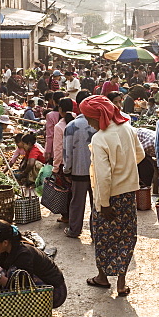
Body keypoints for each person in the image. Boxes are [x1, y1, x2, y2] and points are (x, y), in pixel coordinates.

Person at [81, 95, 145, 296]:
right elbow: (140, 155)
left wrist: (104, 203)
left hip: (108, 196)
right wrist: (125, 167)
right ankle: (121, 283)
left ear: (98, 116)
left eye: (89, 118)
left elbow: (103, 175)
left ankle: (102, 277)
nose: (89, 123)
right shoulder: (128, 128)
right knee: (125, 237)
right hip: (127, 194)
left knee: (103, 237)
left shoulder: (100, 138)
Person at [62, 101, 97, 238]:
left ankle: (74, 230)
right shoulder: (98, 125)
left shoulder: (71, 126)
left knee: (77, 202)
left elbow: (67, 152)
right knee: (96, 203)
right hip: (96, 171)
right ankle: (96, 232)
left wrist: (67, 170)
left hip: (78, 170)